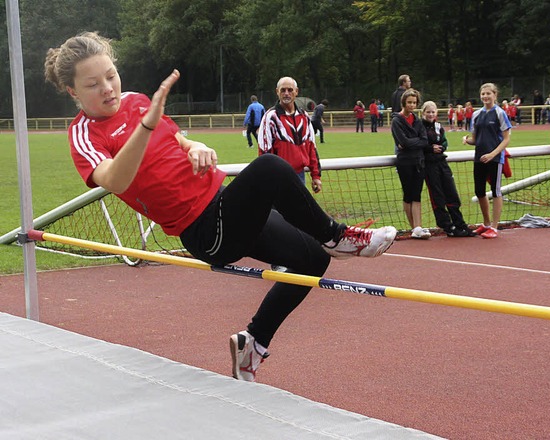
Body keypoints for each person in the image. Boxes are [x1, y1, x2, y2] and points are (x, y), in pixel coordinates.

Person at [44, 32, 397, 383]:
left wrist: (195, 145)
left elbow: (178, 140)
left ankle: (253, 344)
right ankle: (339, 237)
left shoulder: (137, 101)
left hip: (224, 203)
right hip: (205, 230)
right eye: (93, 84)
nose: (108, 88)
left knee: (312, 260)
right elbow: (116, 180)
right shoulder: (85, 134)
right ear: (73, 92)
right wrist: (147, 125)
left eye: (110, 76)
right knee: (270, 168)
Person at [462, 83, 512, 239]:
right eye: (483, 94)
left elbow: (506, 139)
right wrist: (467, 140)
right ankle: (486, 223)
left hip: (495, 158)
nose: (485, 96)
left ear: (495, 95)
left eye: (488, 93)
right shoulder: (477, 115)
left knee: (496, 191)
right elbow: (476, 140)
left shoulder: (499, 113)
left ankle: (495, 227)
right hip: (479, 158)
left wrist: (493, 154)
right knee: (479, 191)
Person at [420, 101, 476, 237]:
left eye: (433, 112)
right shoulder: (419, 127)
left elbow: (444, 141)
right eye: (428, 112)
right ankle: (447, 225)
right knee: (437, 195)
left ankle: (460, 223)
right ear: (423, 113)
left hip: (442, 162)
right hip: (429, 165)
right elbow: (418, 143)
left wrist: (442, 147)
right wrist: (429, 148)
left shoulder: (439, 127)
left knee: (451, 192)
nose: (431, 114)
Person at [258, 77, 322, 192]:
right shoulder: (270, 117)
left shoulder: (304, 116)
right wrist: (268, 178)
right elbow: (264, 151)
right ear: (277, 91)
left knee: (298, 209)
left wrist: (316, 176)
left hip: (299, 175)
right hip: (278, 176)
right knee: (279, 210)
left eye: (290, 90)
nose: (286, 93)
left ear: (296, 91)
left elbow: (312, 147)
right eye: (283, 90)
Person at [391, 89, 430, 239]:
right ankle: (414, 227)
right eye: (409, 102)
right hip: (405, 162)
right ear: (404, 103)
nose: (412, 105)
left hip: (419, 161)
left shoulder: (418, 120)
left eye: (414, 103)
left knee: (417, 195)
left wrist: (410, 143)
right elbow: (403, 142)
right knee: (408, 195)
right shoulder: (396, 121)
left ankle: (418, 227)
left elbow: (424, 141)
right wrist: (415, 142)